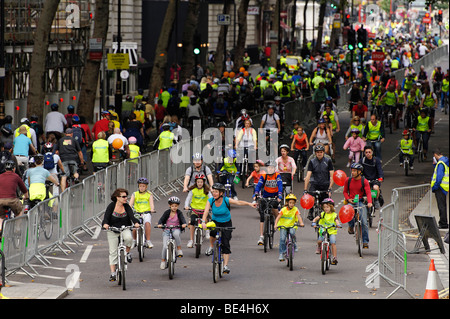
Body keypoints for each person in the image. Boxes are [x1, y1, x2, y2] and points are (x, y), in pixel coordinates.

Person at [201, 183, 257, 274]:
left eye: (216, 192)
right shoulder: (210, 200)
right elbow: (206, 211)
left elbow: (238, 202)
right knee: (212, 232)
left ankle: (225, 266)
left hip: (226, 222)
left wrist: (249, 204)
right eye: (213, 191)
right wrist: (203, 222)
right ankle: (211, 247)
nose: (214, 193)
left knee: (226, 243)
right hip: (215, 221)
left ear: (221, 193)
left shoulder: (226, 200)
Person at [102, 188, 140, 282]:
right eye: (123, 196)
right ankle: (113, 273)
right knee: (113, 252)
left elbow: (132, 216)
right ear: (117, 197)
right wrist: (105, 224)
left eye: (126, 196)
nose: (125, 198)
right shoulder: (111, 206)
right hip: (112, 230)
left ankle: (127, 253)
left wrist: (136, 222)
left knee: (128, 238)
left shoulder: (126, 206)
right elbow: (106, 218)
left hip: (124, 228)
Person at [253, 161, 283, 245]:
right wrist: (256, 193)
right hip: (265, 196)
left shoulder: (277, 175)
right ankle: (261, 236)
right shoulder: (264, 175)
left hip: (274, 196)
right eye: (268, 167)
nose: (270, 169)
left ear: (274, 168)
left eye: (271, 168)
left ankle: (277, 223)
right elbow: (259, 185)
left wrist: (280, 195)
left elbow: (280, 185)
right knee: (262, 215)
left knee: (274, 207)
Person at [343, 163, 372, 249]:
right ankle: (351, 226)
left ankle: (365, 242)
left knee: (364, 222)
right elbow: (345, 192)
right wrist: (348, 199)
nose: (352, 172)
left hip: (360, 201)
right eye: (352, 170)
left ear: (359, 172)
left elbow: (368, 192)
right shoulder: (348, 180)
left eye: (355, 171)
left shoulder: (364, 181)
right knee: (348, 212)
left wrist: (370, 202)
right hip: (351, 201)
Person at [303, 143, 334, 220]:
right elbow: (308, 175)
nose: (319, 153)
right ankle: (311, 211)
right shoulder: (312, 161)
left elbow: (332, 176)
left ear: (323, 152)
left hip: (325, 184)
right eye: (317, 152)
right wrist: (305, 189)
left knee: (326, 203)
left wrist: (330, 188)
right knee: (312, 198)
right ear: (315, 153)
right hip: (315, 183)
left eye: (321, 152)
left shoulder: (328, 161)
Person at [157, 196, 187, 270]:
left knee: (176, 234)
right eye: (172, 206)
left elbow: (183, 220)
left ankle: (179, 249)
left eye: (176, 206)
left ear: (178, 206)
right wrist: (160, 224)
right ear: (169, 205)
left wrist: (184, 224)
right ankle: (163, 261)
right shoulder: (167, 212)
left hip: (176, 229)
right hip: (167, 230)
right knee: (164, 246)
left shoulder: (179, 213)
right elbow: (161, 219)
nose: (174, 207)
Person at [184, 173, 212, 248]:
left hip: (204, 210)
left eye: (201, 182)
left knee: (205, 219)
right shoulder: (193, 190)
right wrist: (186, 206)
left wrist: (211, 206)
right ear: (196, 182)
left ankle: (207, 231)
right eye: (198, 182)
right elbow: (188, 199)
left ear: (203, 182)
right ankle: (191, 240)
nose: (200, 183)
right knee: (192, 222)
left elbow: (211, 199)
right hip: (195, 210)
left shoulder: (206, 190)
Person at [274, 193, 304, 261]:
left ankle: (294, 243)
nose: (291, 204)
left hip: (291, 225)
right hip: (283, 226)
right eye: (290, 203)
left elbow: (299, 217)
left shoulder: (295, 209)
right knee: (282, 238)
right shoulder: (283, 209)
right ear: (287, 202)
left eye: (293, 203)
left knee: (292, 233)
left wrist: (301, 223)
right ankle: (282, 253)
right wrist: (275, 224)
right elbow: (278, 217)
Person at [0, 160, 29, 230]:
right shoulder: (16, 176)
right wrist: (26, 197)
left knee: (1, 217)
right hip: (12, 200)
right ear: (14, 169)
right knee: (19, 211)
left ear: (5, 169)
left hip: (0, 200)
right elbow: (24, 189)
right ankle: (17, 228)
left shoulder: (0, 176)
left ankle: (0, 228)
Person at [311, 198, 341, 264]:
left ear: (331, 207)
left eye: (327, 207)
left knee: (333, 243)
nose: (326, 208)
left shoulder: (334, 215)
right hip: (323, 229)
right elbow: (316, 218)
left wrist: (338, 224)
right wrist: (314, 222)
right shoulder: (322, 214)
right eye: (324, 207)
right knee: (319, 241)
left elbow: (336, 220)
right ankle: (319, 247)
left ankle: (334, 257)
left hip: (331, 230)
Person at [129, 177, 155, 249]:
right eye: (140, 186)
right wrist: (129, 210)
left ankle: (148, 241)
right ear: (138, 186)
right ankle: (134, 240)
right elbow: (130, 204)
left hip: (146, 212)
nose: (142, 188)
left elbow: (151, 204)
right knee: (135, 225)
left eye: (143, 186)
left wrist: (152, 209)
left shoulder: (149, 194)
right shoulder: (135, 194)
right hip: (136, 212)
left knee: (147, 223)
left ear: (146, 187)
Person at [431, 148, 449, 229]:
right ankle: (444, 222)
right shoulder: (445, 161)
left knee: (441, 206)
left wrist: (435, 187)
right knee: (443, 206)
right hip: (444, 187)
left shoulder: (441, 163)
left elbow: (439, 177)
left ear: (435, 155)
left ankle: (443, 223)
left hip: (440, 187)